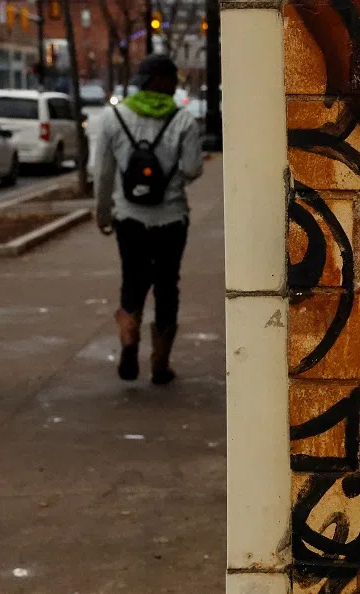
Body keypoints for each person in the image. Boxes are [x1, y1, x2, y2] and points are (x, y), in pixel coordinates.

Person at [94, 55, 202, 384]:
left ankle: (129, 346)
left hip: (129, 218)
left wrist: (102, 213)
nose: (176, 85)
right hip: (171, 219)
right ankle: (160, 364)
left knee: (132, 281)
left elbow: (102, 173)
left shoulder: (113, 117)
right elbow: (192, 168)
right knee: (168, 286)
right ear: (161, 81)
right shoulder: (183, 121)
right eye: (173, 78)